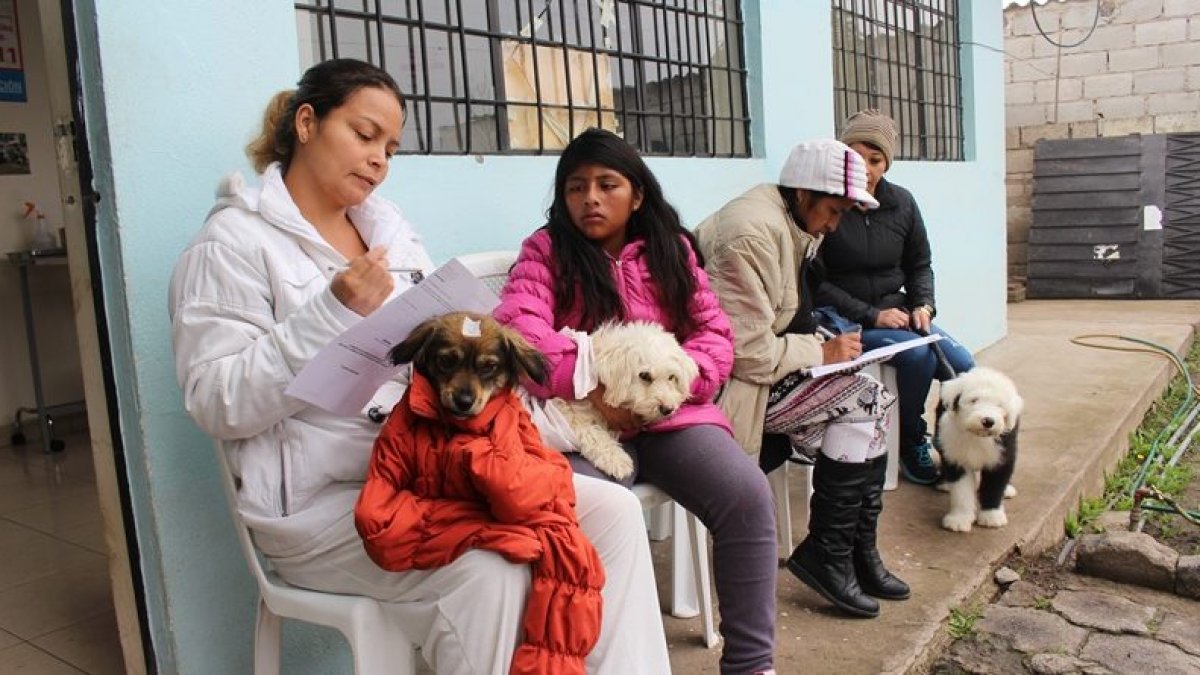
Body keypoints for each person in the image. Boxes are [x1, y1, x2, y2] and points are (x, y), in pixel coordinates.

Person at [169, 59, 670, 674]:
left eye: (391, 146)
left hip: (434, 470)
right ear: (306, 123)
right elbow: (217, 402)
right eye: (364, 133)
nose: (379, 158)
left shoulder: (390, 233)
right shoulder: (231, 247)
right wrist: (328, 314)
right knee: (493, 567)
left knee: (614, 515)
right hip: (326, 502)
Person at [494, 128, 778, 675]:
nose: (590, 199)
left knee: (746, 496)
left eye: (607, 184)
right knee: (584, 517)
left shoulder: (672, 250)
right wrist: (595, 389)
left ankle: (751, 665)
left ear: (637, 193)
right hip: (583, 424)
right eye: (576, 188)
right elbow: (520, 330)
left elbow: (715, 333)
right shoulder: (546, 252)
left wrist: (670, 389)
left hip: (676, 419)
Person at [694, 138, 907, 620]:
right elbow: (747, 355)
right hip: (730, 389)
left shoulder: (787, 222)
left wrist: (826, 344)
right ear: (802, 192)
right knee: (866, 401)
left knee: (867, 405)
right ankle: (830, 554)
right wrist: (821, 350)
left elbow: (782, 318)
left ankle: (849, 551)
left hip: (762, 379)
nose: (835, 225)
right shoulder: (749, 235)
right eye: (833, 211)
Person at [816, 110, 975, 485]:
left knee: (965, 366)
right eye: (856, 158)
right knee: (917, 356)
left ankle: (949, 445)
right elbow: (816, 283)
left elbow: (921, 263)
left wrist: (923, 305)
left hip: (901, 314)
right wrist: (873, 315)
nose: (866, 169)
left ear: (888, 162)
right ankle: (910, 440)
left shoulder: (902, 202)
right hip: (848, 319)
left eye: (876, 160)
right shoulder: (827, 202)